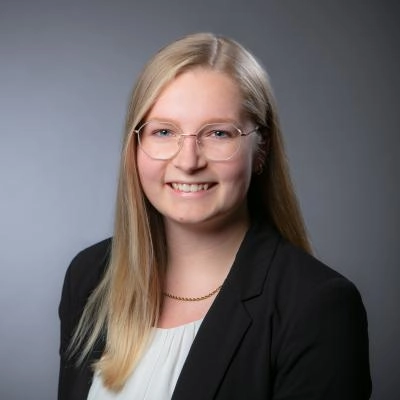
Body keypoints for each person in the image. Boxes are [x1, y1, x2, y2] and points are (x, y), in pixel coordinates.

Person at [58, 32, 371, 399]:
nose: (188, 161)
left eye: (219, 133)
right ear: (136, 144)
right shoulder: (90, 277)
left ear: (261, 150)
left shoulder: (317, 307)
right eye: (164, 131)